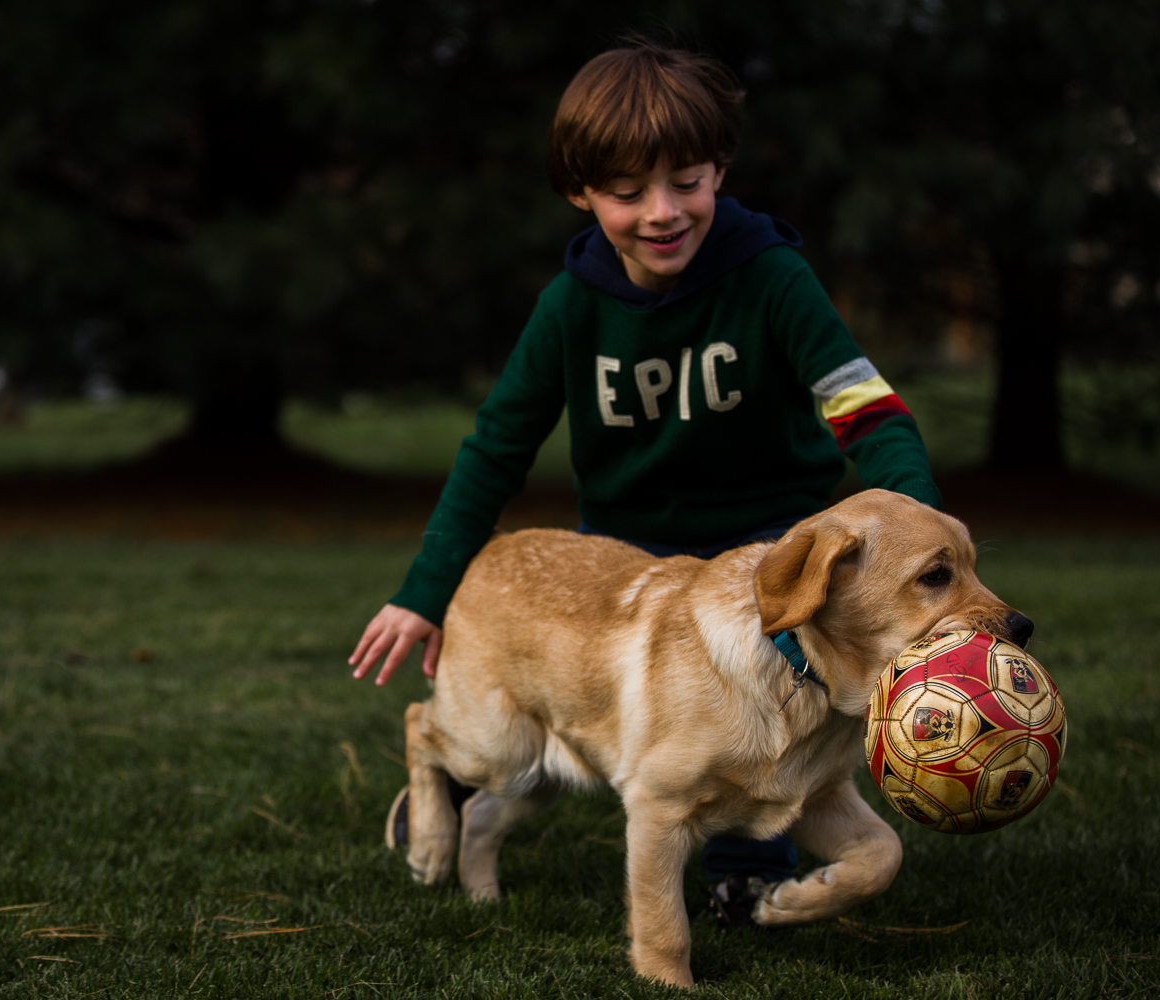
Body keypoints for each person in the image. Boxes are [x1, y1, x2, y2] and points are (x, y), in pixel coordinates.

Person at [348, 42, 940, 926]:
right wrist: (427, 591)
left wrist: (919, 532)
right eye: (628, 193)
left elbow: (866, 411)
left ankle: (743, 871)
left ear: (720, 171)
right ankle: (465, 779)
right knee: (680, 734)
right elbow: (495, 450)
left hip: (777, 543)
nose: (662, 213)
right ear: (580, 193)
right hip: (638, 554)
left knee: (786, 713)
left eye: (687, 182)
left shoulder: (771, 276)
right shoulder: (570, 308)